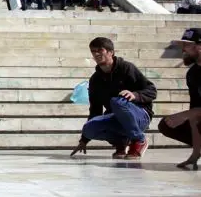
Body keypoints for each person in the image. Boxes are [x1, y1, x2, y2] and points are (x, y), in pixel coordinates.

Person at [71, 37, 157, 160]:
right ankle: (121, 144)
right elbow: (95, 110)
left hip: (140, 115)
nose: (96, 54)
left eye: (100, 50)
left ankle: (139, 140)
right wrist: (84, 140)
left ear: (111, 52)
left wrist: (135, 95)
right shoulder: (95, 80)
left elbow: (151, 90)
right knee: (89, 128)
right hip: (116, 117)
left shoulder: (126, 68)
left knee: (117, 102)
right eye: (93, 51)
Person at [158, 28, 201, 170]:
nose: (183, 50)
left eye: (187, 45)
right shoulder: (193, 73)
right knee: (168, 124)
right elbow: (195, 117)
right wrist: (195, 155)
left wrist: (189, 114)